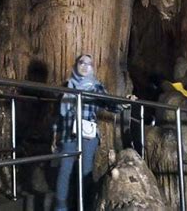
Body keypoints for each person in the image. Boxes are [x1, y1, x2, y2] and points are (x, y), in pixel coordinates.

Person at [51, 54, 129, 210]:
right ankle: (60, 208)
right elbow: (58, 115)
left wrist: (124, 102)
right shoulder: (68, 86)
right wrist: (54, 135)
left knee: (85, 172)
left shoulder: (96, 87)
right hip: (68, 134)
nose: (84, 66)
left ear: (92, 67)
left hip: (88, 136)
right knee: (64, 171)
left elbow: (110, 103)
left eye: (89, 63)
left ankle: (84, 206)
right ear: (76, 65)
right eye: (81, 62)